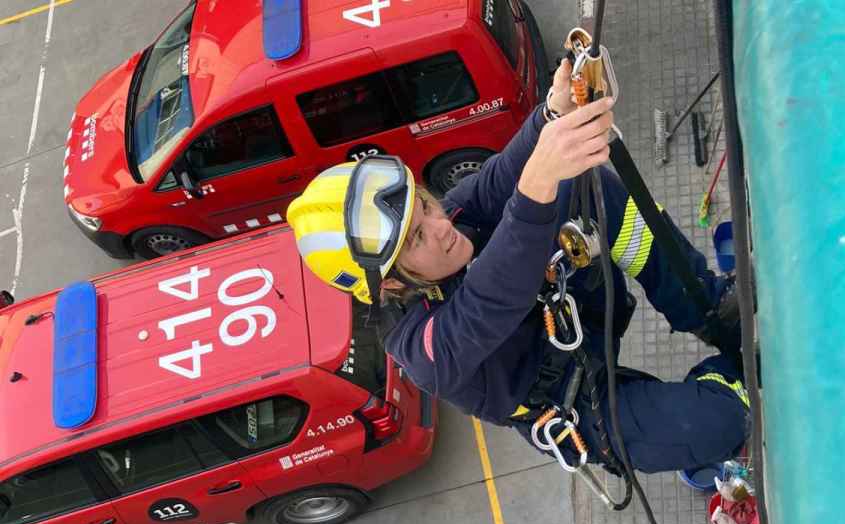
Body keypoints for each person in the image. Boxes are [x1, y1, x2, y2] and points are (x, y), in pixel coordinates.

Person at [287, 60, 748, 475]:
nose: (441, 224)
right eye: (415, 237)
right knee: (718, 424)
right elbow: (486, 304)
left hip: (582, 318)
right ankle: (732, 378)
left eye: (425, 205)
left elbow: (497, 180)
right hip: (569, 399)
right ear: (389, 283)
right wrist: (537, 187)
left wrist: (553, 112)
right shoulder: (421, 350)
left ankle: (706, 306)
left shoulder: (450, 221)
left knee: (592, 188)